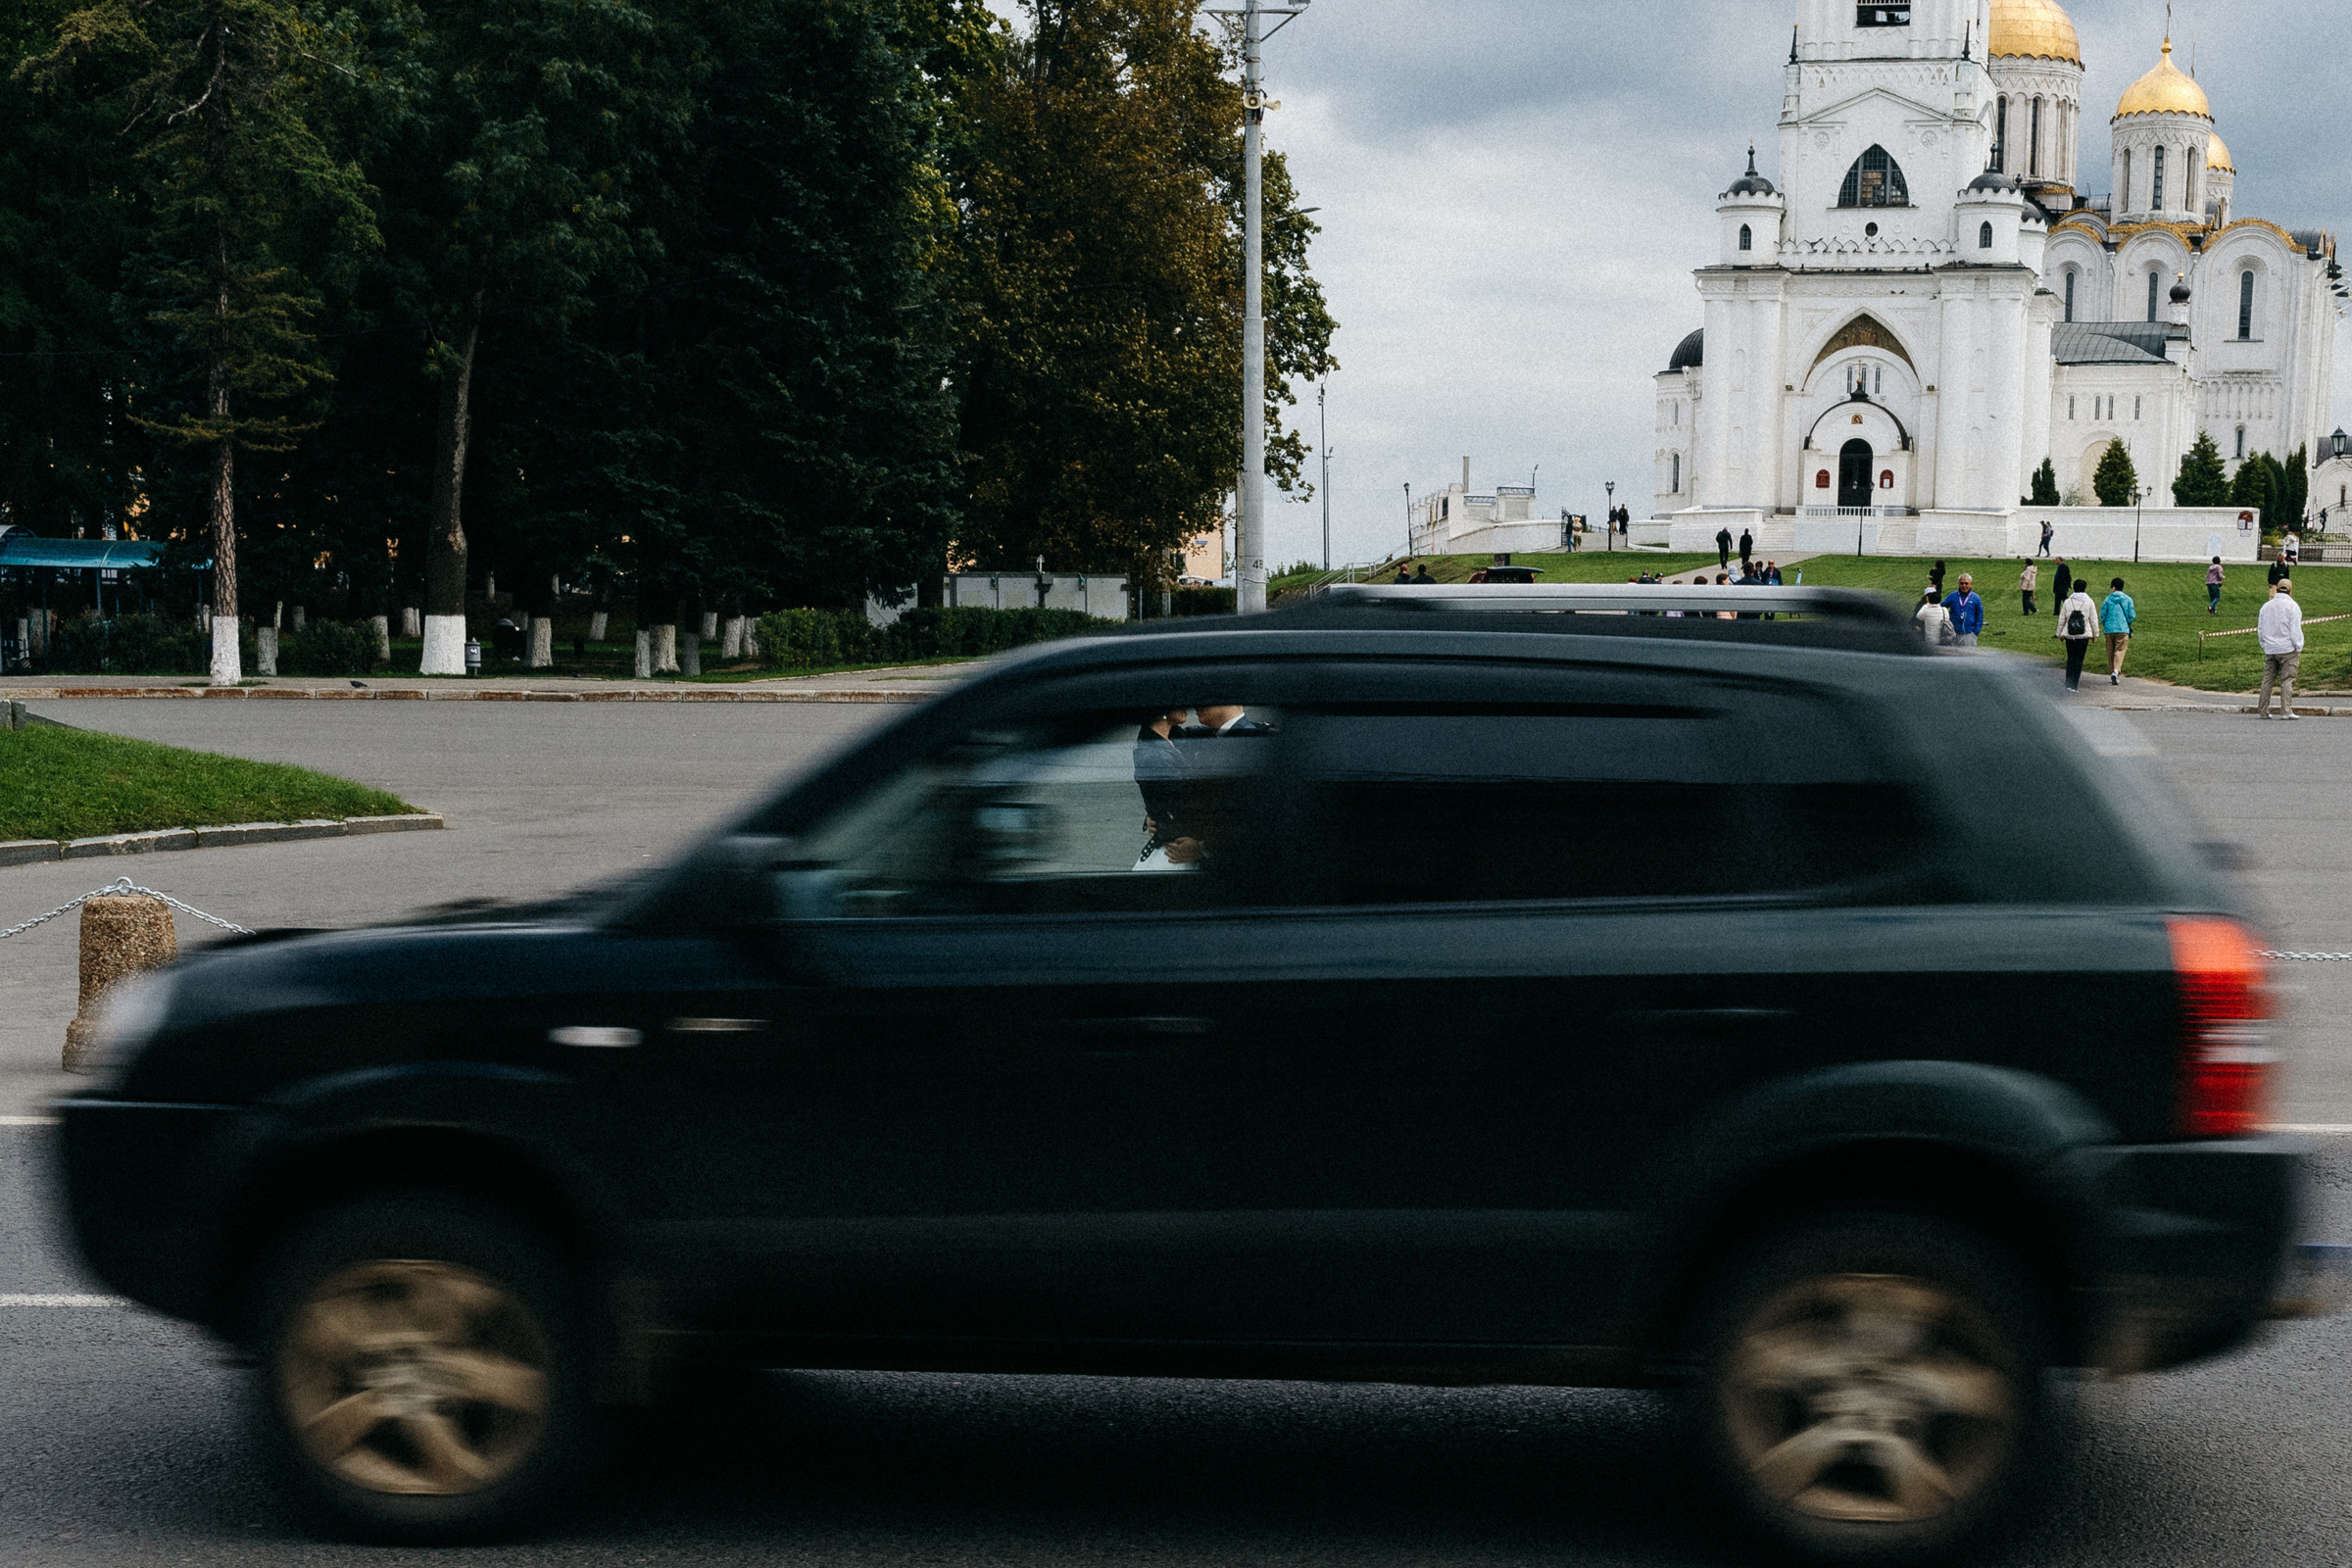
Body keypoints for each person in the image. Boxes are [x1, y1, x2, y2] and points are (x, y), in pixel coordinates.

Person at [2258, 578, 2306, 719]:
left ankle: (2263, 710)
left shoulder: (2266, 606)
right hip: (2288, 648)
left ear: (2277, 589)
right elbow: (2295, 630)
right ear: (2290, 591)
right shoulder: (2293, 607)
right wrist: (2298, 646)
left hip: (2270, 648)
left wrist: (2264, 644)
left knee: (2267, 680)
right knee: (2287, 680)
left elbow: (2260, 629)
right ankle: (2286, 711)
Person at [2055, 578, 2100, 691]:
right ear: (2085, 588)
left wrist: (2059, 634)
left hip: (2069, 635)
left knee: (2070, 659)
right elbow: (2093, 619)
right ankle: (2074, 685)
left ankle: (2068, 684)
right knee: (2079, 660)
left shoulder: (2067, 601)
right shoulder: (2089, 601)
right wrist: (2095, 634)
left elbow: (2062, 619)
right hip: (2083, 635)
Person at [2101, 577, 2136, 685]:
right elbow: (2131, 615)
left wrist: (2106, 624)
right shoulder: (2128, 599)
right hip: (2122, 628)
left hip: (2109, 629)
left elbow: (2103, 615)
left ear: (2113, 587)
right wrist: (2127, 623)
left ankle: (2113, 671)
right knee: (2119, 651)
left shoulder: (2107, 599)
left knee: (2110, 652)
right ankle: (2116, 671)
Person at [1943, 573, 1985, 648]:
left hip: (1969, 634)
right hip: (1954, 633)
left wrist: (1975, 632)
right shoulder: (1953, 595)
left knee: (1968, 657)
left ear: (1971, 584)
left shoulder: (1975, 598)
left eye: (1966, 583)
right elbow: (1941, 606)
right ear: (1958, 584)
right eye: (1961, 583)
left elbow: (1980, 615)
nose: (1964, 585)